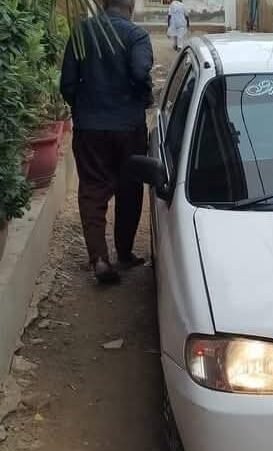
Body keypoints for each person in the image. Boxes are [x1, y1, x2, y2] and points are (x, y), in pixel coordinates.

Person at [60, 0, 153, 284]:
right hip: (128, 128)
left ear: (102, 5)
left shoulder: (81, 32)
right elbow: (140, 72)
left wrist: (84, 108)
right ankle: (124, 253)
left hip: (90, 128)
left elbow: (67, 84)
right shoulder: (136, 35)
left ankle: (99, 258)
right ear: (131, 6)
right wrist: (143, 96)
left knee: (92, 190)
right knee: (129, 189)